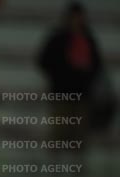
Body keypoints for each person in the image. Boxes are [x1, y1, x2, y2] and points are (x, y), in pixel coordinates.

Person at [37, 2, 104, 150]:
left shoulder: (88, 39)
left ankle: (75, 162)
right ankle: (56, 162)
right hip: (61, 93)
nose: (77, 21)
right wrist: (60, 74)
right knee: (59, 133)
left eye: (79, 17)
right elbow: (43, 61)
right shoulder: (58, 38)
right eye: (75, 17)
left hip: (82, 94)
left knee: (79, 134)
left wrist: (86, 77)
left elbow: (97, 64)